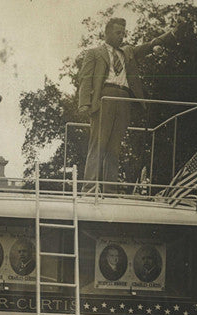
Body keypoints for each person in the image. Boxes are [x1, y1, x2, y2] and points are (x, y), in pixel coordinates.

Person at [76, 16, 178, 189]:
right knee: (98, 143)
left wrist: (173, 33)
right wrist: (84, 103)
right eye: (117, 33)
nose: (121, 37)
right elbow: (85, 79)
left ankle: (109, 189)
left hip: (124, 98)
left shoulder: (128, 51)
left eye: (123, 33)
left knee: (115, 147)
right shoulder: (94, 53)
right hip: (104, 97)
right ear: (107, 33)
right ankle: (89, 187)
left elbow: (150, 45)